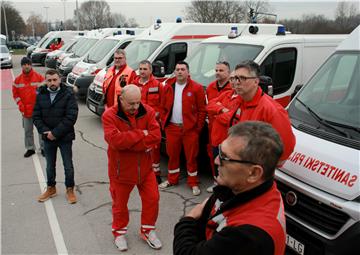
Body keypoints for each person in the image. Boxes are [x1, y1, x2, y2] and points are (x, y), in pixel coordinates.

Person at [173, 121, 286, 255]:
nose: (216, 161)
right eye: (220, 151)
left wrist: (189, 218)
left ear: (254, 173)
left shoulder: (249, 237)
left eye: (225, 157)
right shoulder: (241, 187)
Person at [102, 85, 162, 252]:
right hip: (120, 172)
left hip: (146, 169)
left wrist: (131, 143)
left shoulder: (148, 111)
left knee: (152, 199)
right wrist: (141, 134)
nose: (135, 107)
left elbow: (156, 137)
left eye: (137, 102)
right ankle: (119, 232)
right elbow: (114, 141)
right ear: (121, 99)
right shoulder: (109, 116)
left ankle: (148, 230)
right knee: (120, 205)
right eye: (131, 104)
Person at [225, 60, 295, 164]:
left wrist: (263, 167)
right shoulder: (238, 102)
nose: (237, 82)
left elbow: (285, 149)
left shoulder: (271, 110)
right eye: (235, 78)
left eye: (243, 78)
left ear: (256, 81)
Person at [159, 61, 206, 196]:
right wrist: (164, 123)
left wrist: (197, 128)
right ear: (174, 72)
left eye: (182, 69)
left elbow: (202, 110)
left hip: (189, 130)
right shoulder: (168, 86)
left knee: (191, 157)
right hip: (172, 128)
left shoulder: (196, 88)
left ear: (188, 72)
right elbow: (162, 107)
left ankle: (193, 183)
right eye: (177, 69)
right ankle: (172, 180)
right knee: (172, 156)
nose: (179, 72)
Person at [33, 69, 78, 204]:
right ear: (45, 81)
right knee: (49, 166)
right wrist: (46, 131)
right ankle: (51, 188)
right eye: (49, 80)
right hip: (48, 138)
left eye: (54, 80)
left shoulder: (68, 94)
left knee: (68, 165)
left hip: (65, 138)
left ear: (59, 80)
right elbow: (36, 116)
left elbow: (71, 116)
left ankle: (70, 189)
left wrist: (55, 133)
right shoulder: (41, 94)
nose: (52, 83)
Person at [205, 71, 241, 192]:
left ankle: (226, 188)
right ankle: (217, 184)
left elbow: (231, 119)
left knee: (227, 166)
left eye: (236, 79)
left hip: (228, 141)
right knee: (216, 164)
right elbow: (209, 105)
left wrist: (217, 114)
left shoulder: (241, 99)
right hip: (216, 138)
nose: (233, 82)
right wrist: (221, 109)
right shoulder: (226, 94)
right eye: (231, 79)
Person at [133, 60, 164, 184]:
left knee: (154, 149)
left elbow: (163, 104)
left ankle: (156, 174)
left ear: (150, 70)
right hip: (137, 123)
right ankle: (139, 172)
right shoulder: (134, 85)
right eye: (140, 69)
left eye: (145, 69)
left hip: (152, 124)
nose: (142, 71)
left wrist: (157, 114)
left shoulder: (157, 85)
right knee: (138, 148)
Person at [12, 57, 45, 157]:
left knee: (41, 130)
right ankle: (30, 148)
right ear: (22, 66)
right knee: (27, 131)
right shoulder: (17, 80)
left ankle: (44, 148)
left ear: (31, 65)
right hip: (25, 111)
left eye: (28, 64)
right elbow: (15, 95)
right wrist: (21, 105)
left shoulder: (39, 77)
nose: (26, 66)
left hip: (38, 111)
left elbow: (44, 92)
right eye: (24, 64)